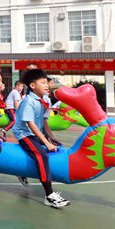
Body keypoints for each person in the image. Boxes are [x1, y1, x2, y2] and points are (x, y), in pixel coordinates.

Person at [12, 69, 70, 208]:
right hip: (24, 133)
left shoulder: (44, 99)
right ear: (32, 86)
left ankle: (22, 171)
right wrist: (45, 142)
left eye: (46, 82)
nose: (46, 85)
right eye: (43, 83)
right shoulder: (28, 101)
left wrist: (51, 138)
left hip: (34, 133)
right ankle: (49, 196)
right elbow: (31, 124)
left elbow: (43, 121)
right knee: (42, 154)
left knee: (54, 148)